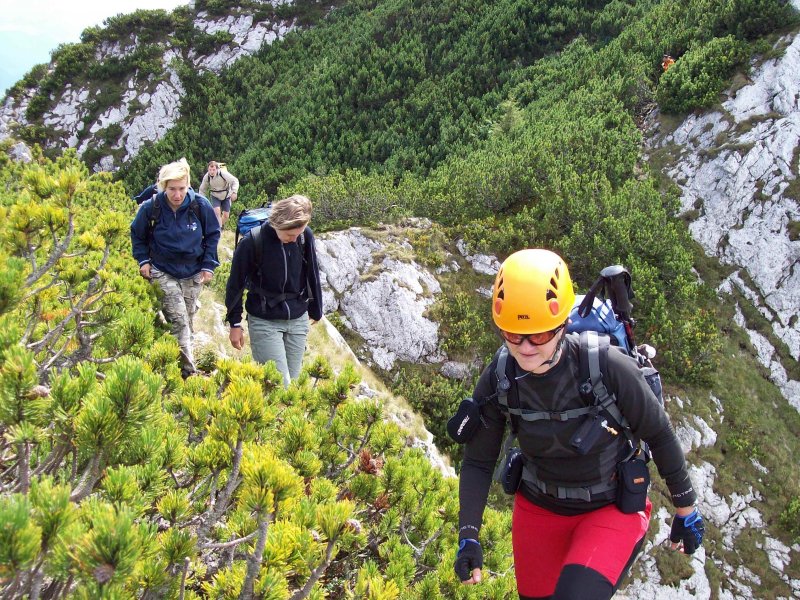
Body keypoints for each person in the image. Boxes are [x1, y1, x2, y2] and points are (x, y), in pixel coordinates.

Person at [454, 249, 704, 600]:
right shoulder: (500, 375)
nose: (525, 348)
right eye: (512, 334)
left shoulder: (607, 364)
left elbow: (659, 433)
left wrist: (686, 509)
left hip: (610, 509)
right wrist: (469, 535)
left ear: (563, 325)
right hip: (538, 508)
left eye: (538, 335)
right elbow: (479, 460)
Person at [130, 158, 220, 378]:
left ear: (188, 184)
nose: (177, 194)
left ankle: (178, 358)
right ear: (163, 187)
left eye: (181, 188)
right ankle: (188, 374)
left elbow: (212, 234)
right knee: (179, 320)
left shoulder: (200, 205)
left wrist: (208, 265)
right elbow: (137, 235)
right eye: (172, 189)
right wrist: (143, 261)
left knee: (187, 318)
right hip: (163, 270)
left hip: (193, 271)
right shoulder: (152, 207)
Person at [225, 194, 323, 386]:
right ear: (278, 224)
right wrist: (235, 323)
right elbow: (235, 285)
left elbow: (312, 272)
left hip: (297, 319)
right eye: (289, 235)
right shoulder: (253, 241)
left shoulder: (304, 237)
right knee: (279, 385)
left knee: (292, 386)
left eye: (298, 234)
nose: (294, 239)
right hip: (264, 320)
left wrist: (316, 310)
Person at [199, 160, 239, 227]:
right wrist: (200, 200)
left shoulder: (223, 174)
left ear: (217, 169)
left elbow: (235, 181)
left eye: (213, 170)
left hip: (226, 195)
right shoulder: (207, 177)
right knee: (217, 212)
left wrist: (234, 192)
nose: (211, 172)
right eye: (210, 170)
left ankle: (218, 226)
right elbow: (202, 189)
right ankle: (218, 230)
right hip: (215, 195)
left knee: (226, 216)